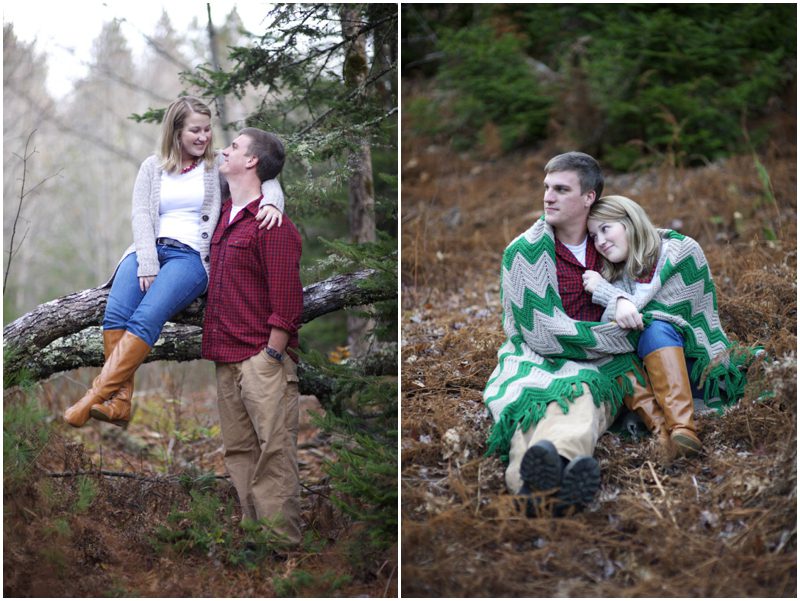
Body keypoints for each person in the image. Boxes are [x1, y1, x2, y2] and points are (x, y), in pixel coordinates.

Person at [64, 96, 284, 428]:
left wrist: (274, 204)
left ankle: (93, 397)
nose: (204, 137)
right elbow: (140, 214)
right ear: (176, 131)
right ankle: (121, 404)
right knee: (116, 314)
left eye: (208, 130)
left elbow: (265, 175)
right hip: (145, 250)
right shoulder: (152, 167)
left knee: (146, 316)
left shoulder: (216, 167)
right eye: (195, 130)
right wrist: (148, 262)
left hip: (190, 257)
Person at [483, 151, 664, 514]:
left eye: (561, 189)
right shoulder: (524, 252)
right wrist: (615, 335)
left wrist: (626, 305)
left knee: (581, 395)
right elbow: (541, 333)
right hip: (535, 355)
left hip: (601, 365)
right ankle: (552, 480)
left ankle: (537, 486)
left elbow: (668, 256)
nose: (548, 197)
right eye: (546, 187)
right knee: (531, 404)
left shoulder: (611, 244)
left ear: (588, 197)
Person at [582, 194, 755, 456]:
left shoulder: (679, 250)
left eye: (606, 229)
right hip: (648, 378)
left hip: (697, 367)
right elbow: (613, 329)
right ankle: (663, 432)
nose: (601, 242)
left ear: (630, 222)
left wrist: (609, 296)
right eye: (594, 236)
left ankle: (683, 428)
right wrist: (616, 300)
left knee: (656, 327)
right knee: (606, 345)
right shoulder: (613, 274)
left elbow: (658, 314)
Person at [200, 127, 304, 547]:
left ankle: (283, 551)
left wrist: (271, 356)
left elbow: (288, 299)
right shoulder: (224, 215)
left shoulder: (271, 223)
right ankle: (255, 543)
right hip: (225, 356)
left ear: (252, 161)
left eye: (235, 147)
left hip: (262, 361)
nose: (224, 149)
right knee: (240, 453)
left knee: (274, 453)